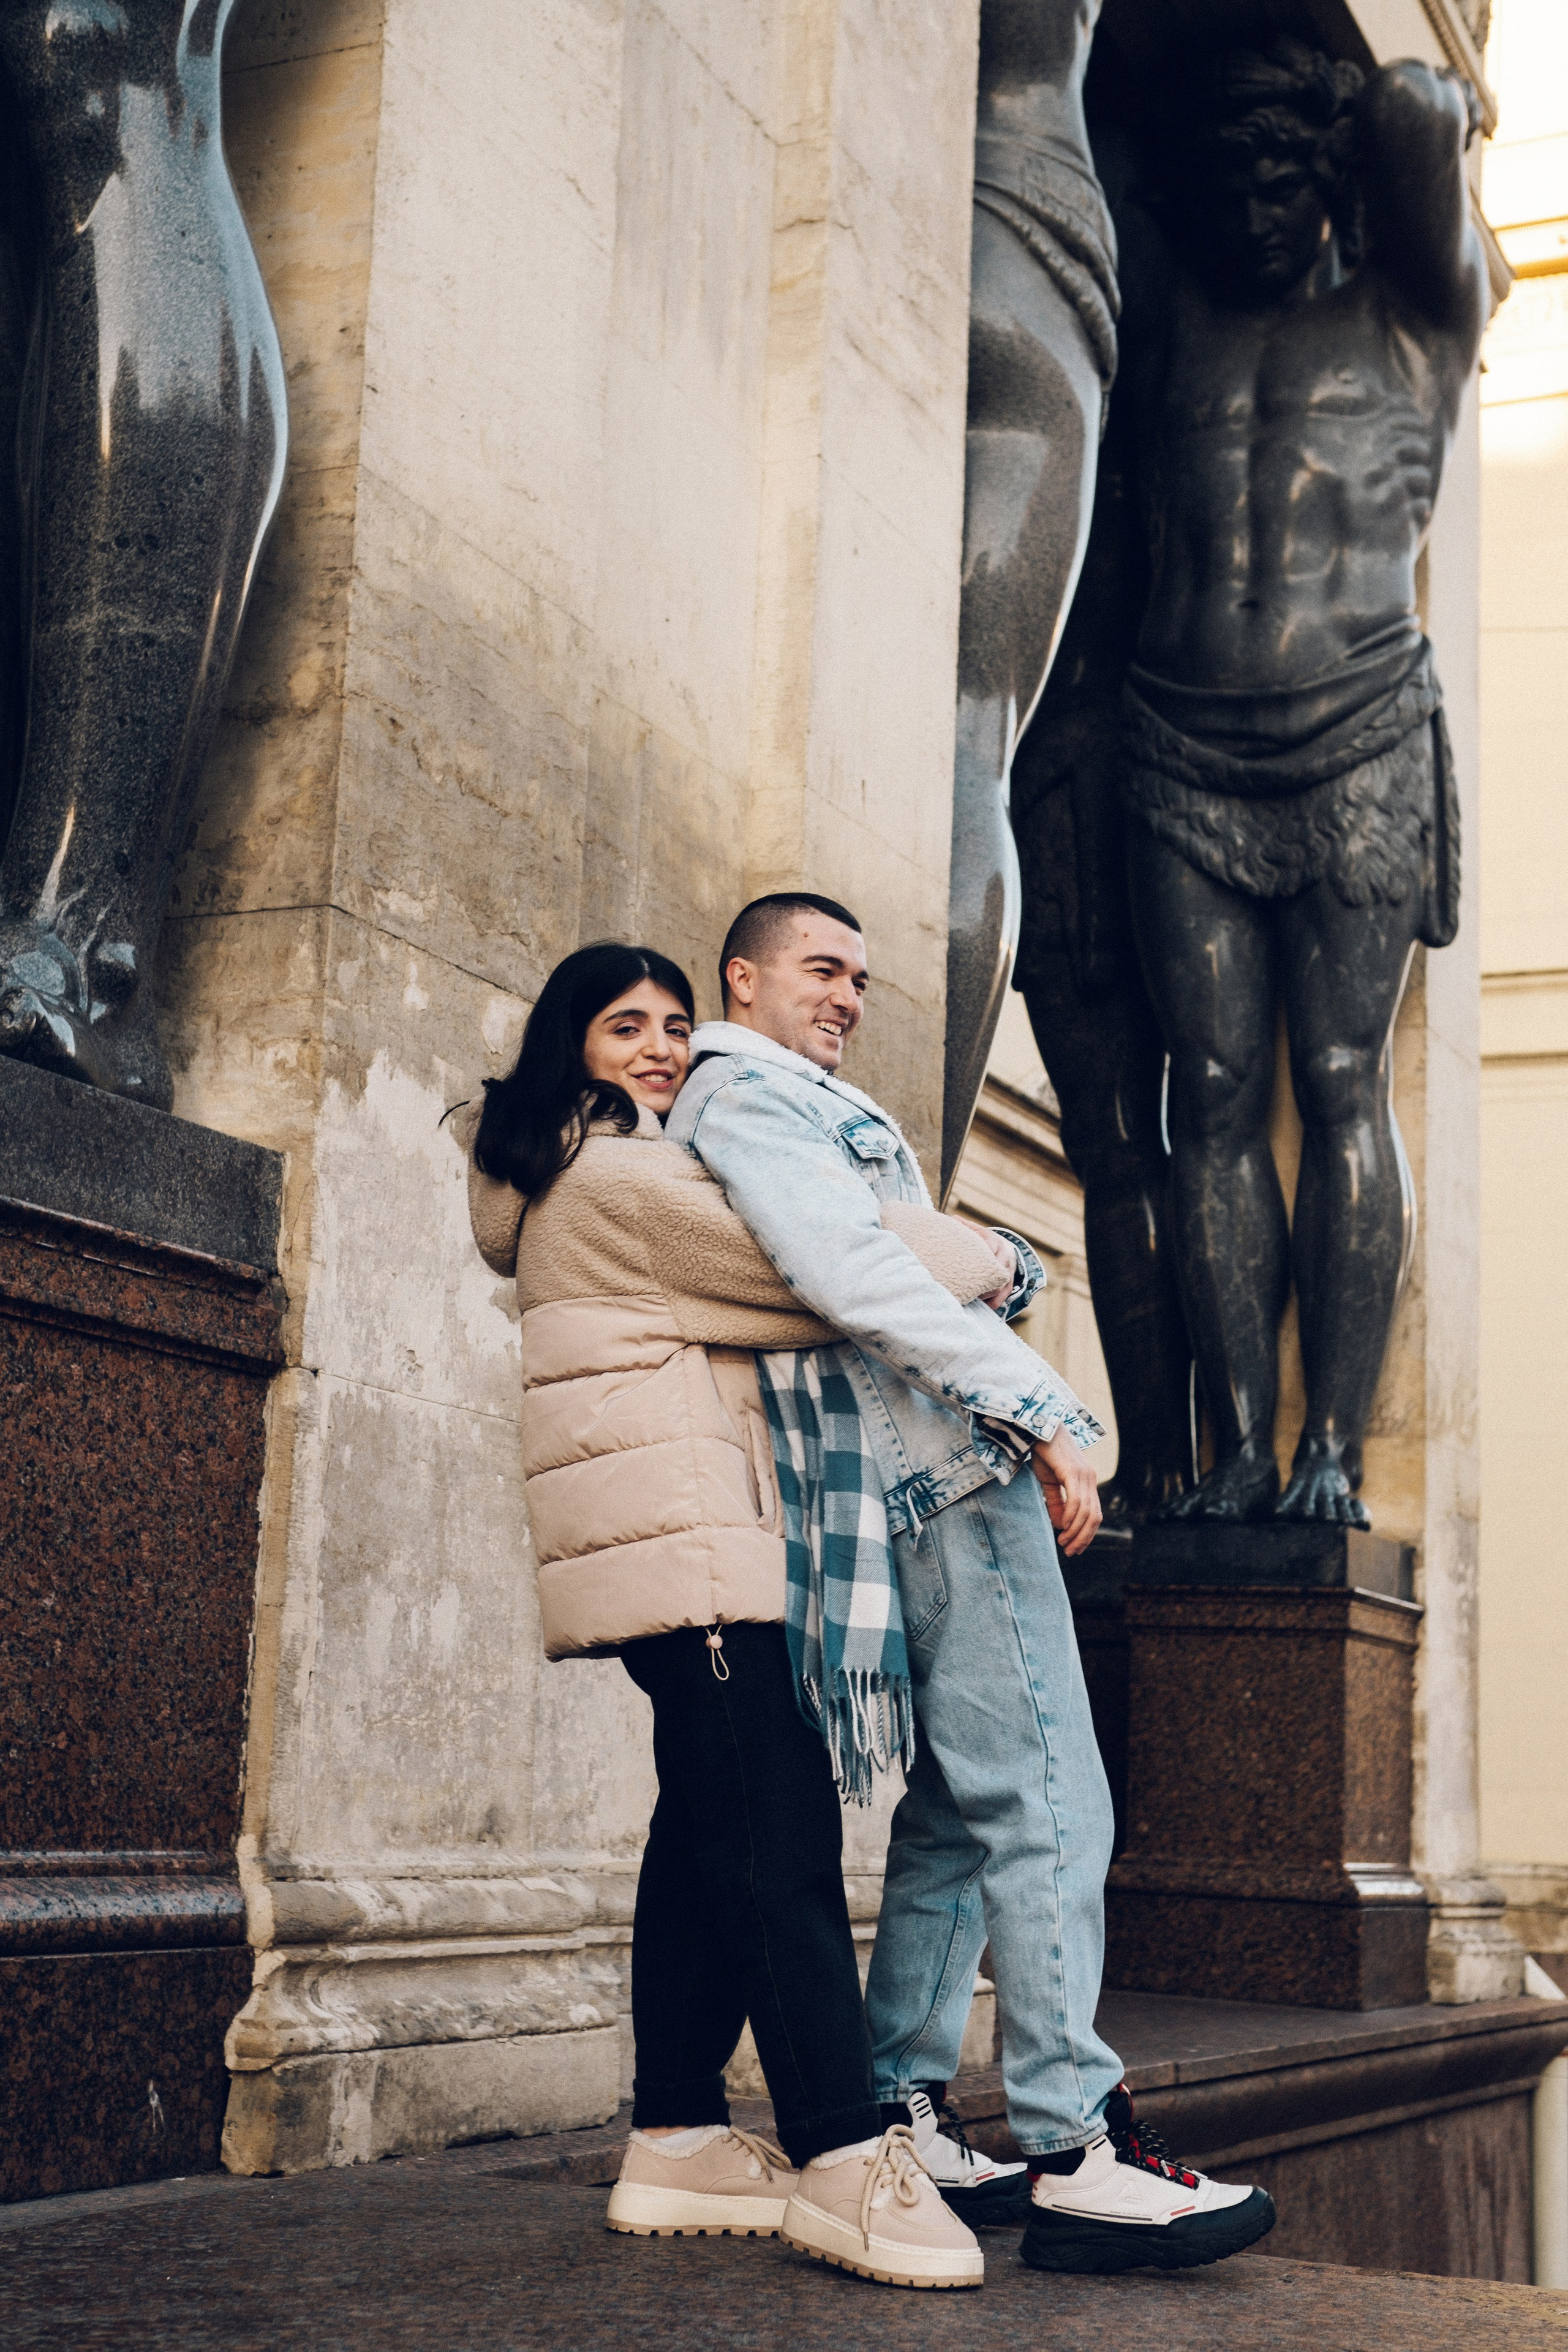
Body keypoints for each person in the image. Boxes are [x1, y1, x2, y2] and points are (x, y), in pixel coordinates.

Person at [667, 892, 1278, 2273]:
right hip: (948, 1473)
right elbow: (862, 1275)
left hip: (925, 1473)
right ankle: (1079, 2147)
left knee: (958, 1806)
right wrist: (1042, 1403)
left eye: (861, 978)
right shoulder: (752, 1098)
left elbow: (896, 1268)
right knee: (1054, 1796)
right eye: (820, 969)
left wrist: (987, 1277)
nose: (845, 996)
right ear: (741, 978)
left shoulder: (774, 1098)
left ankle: (904, 2097)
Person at [456, 939, 1006, 2289]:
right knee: (774, 1832)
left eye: (672, 1024)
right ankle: (836, 2152)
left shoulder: (578, 1170)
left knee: (707, 1828)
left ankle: (679, 2133)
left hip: (678, 1545)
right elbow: (821, 1264)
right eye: (621, 1024)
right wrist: (991, 1250)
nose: (657, 1045)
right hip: (688, 1553)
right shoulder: (619, 1177)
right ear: (567, 1047)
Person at [1108, 44, 1487, 1526]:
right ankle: (1241, 1453)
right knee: (1203, 1092)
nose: (1255, 207)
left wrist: (1415, 112)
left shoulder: (1411, 320)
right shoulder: (1177, 324)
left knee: (1336, 1083)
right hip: (1175, 738)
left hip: (1354, 730)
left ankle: (1331, 1439)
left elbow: (1407, 108)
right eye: (1231, 180)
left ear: (1331, 181)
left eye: (1284, 176)